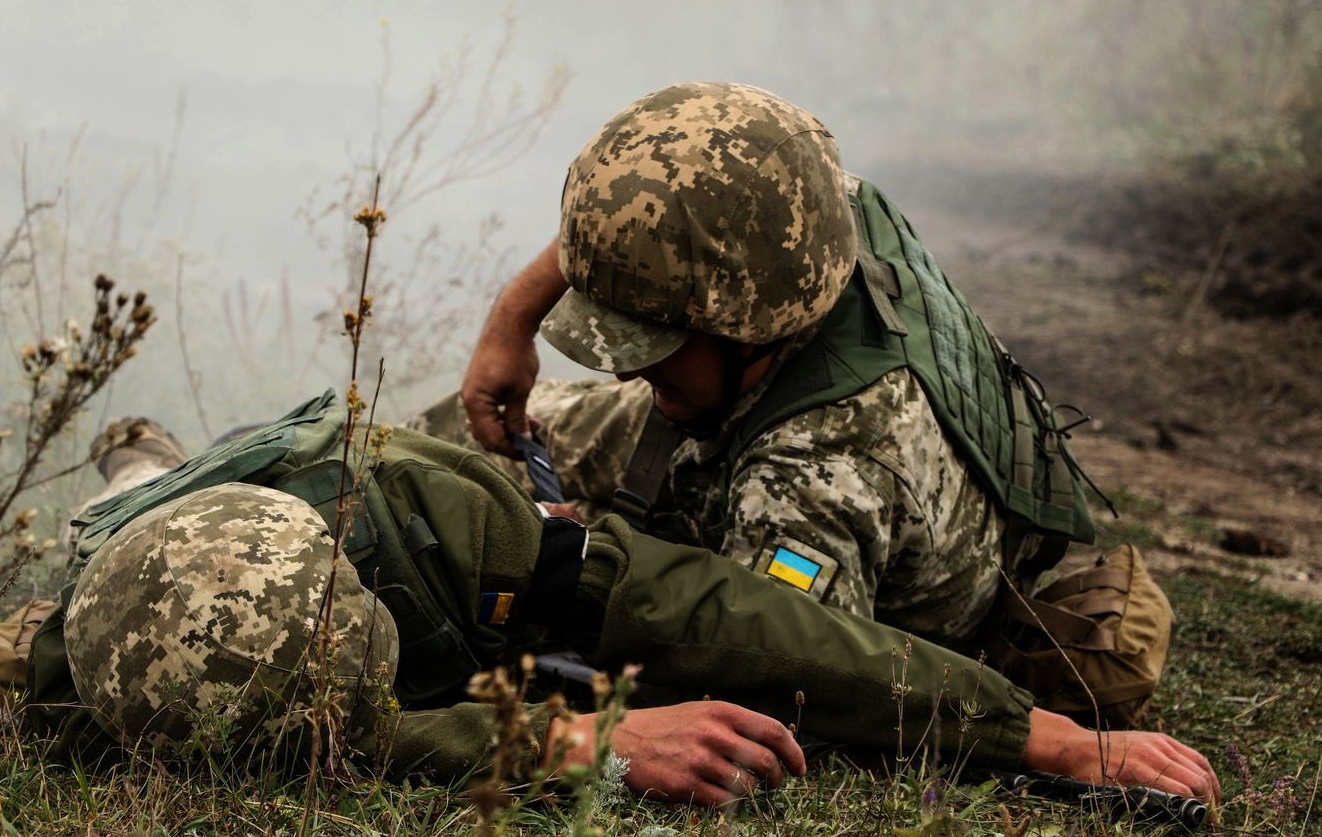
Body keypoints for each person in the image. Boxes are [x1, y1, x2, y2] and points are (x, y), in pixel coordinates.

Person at [14, 397, 1218, 809]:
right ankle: (139, 456)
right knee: (140, 488)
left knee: (173, 464)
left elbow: (726, 615)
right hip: (158, 547)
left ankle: (147, 447)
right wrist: (563, 742)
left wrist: (1037, 734)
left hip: (353, 498)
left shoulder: (442, 518)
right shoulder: (69, 674)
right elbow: (353, 739)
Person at [420, 81, 1169, 728]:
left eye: (654, 344)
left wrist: (576, 581)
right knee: (449, 449)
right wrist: (512, 322)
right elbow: (655, 216)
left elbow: (767, 688)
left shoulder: (816, 478)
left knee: (478, 539)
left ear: (747, 321)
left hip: (842, 549)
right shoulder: (800, 213)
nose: (625, 375)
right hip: (748, 408)